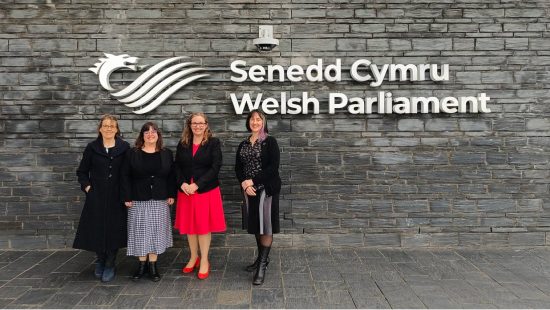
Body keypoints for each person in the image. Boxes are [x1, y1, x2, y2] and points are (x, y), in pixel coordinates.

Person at [74, 114, 130, 283]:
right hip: (96, 195)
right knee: (97, 228)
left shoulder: (124, 147)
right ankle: (101, 260)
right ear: (100, 129)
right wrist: (88, 187)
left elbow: (127, 173)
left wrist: (126, 195)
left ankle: (111, 263)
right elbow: (82, 172)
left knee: (114, 229)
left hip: (116, 196)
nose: (108, 129)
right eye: (105, 126)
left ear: (116, 129)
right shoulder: (92, 147)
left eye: (112, 126)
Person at [120, 122, 176, 282]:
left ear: (158, 135)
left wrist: (172, 194)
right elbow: (124, 176)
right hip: (137, 198)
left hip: (160, 198)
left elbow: (171, 175)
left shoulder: (166, 153)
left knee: (156, 232)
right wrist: (126, 196)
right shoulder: (132, 153)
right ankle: (141, 265)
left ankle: (153, 265)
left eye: (154, 131)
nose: (150, 134)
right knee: (140, 232)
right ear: (142, 135)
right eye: (147, 132)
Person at [174, 112, 225, 280]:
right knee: (190, 225)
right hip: (186, 191)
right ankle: (193, 257)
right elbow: (177, 166)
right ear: (189, 125)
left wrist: (197, 185)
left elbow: (215, 167)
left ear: (206, 125)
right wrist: (182, 184)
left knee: (203, 226)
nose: (197, 126)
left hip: (205, 190)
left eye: (201, 123)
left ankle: (204, 260)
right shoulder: (183, 143)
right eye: (194, 123)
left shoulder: (213, 143)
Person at [235, 109, 281, 285]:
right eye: (252, 119)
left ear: (264, 122)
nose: (255, 122)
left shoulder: (270, 142)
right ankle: (261, 258)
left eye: (258, 119)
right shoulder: (243, 144)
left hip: (266, 189)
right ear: (248, 122)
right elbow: (238, 168)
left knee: (266, 225)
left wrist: (251, 181)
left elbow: (272, 168)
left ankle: (262, 264)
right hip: (249, 191)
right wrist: (244, 184)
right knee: (256, 225)